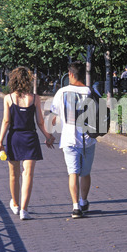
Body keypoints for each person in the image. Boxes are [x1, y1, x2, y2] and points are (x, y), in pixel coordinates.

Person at [0, 66, 55, 220]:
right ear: (28, 80)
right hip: (30, 138)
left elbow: (6, 121)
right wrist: (48, 136)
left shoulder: (8, 98)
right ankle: (24, 209)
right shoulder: (35, 98)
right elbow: (40, 122)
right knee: (28, 174)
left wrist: (0, 141)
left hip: (14, 138)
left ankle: (15, 204)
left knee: (14, 174)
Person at [50, 61, 97, 219]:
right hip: (88, 139)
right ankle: (84, 201)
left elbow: (54, 113)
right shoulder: (90, 91)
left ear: (70, 74)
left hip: (69, 139)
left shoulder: (62, 92)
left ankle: (75, 207)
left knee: (72, 173)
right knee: (85, 173)